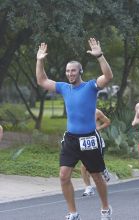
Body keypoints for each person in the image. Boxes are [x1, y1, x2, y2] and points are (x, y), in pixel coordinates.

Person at [36, 38, 113, 220]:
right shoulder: (63, 88)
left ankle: (105, 208)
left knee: (96, 176)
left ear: (80, 71)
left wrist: (100, 56)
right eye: (68, 71)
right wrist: (40, 60)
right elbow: (41, 80)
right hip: (71, 139)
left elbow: (108, 77)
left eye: (73, 70)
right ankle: (73, 213)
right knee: (64, 176)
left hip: (89, 138)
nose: (70, 73)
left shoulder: (90, 86)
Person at [81, 109, 111, 196]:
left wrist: (98, 128)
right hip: (84, 142)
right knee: (83, 166)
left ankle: (103, 169)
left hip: (96, 142)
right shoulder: (79, 111)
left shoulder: (96, 112)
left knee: (96, 165)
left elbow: (107, 122)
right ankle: (88, 187)